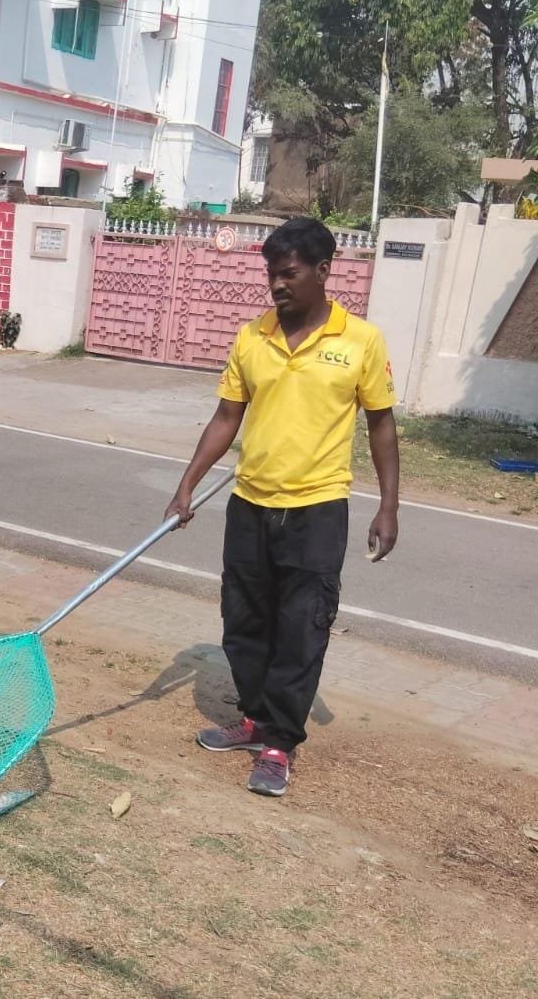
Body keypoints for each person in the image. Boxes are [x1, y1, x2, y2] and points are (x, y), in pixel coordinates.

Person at [164, 217, 400, 797]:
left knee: (301, 629)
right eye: (272, 274)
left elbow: (382, 426)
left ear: (324, 271)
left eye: (289, 274)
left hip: (317, 510)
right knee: (244, 620)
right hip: (249, 504)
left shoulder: (360, 341)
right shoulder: (253, 337)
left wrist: (389, 505)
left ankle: (278, 743)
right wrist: (187, 483)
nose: (278, 285)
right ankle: (252, 718)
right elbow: (227, 417)